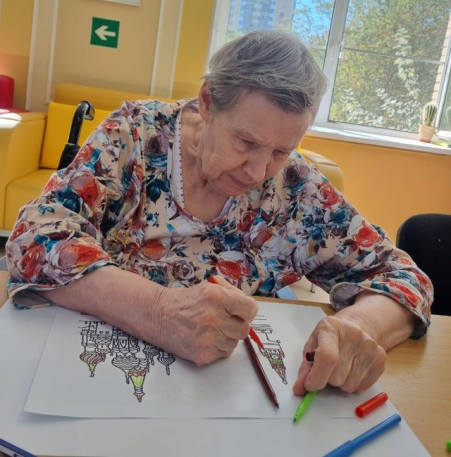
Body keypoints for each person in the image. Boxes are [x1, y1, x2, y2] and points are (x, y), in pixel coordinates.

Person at [5, 30, 432, 397]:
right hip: (92, 369)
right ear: (208, 102)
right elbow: (34, 237)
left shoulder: (295, 187)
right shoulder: (135, 135)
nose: (258, 172)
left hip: (215, 394)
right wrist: (158, 310)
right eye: (245, 142)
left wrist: (359, 325)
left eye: (280, 150)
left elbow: (403, 276)